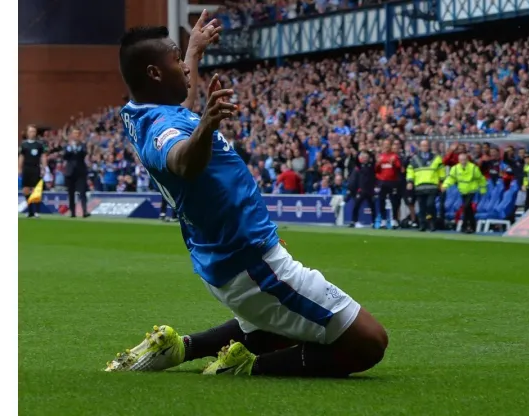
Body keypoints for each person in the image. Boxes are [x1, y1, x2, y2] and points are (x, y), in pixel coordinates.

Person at [107, 18, 387, 378]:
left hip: (227, 260)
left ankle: (180, 348)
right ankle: (245, 368)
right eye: (176, 61)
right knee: (369, 341)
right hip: (251, 263)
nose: (185, 69)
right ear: (154, 74)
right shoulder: (162, 130)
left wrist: (192, 50)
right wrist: (206, 124)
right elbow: (181, 161)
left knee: (271, 325)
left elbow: (182, 103)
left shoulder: (146, 112)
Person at [441, 152, 485, 233]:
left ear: (467, 160)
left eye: (464, 159)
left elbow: (480, 179)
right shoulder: (455, 168)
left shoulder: (473, 168)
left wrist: (483, 189)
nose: (463, 161)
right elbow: (451, 178)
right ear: (458, 160)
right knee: (468, 209)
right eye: (461, 160)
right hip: (462, 190)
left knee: (466, 206)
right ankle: (472, 225)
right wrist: (445, 185)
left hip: (472, 189)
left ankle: (465, 226)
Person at [406, 139, 445, 232]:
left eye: (426, 145)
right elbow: (410, 171)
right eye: (423, 145)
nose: (424, 147)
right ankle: (422, 224)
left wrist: (442, 182)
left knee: (430, 205)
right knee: (422, 206)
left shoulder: (436, 158)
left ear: (429, 146)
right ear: (420, 147)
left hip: (432, 186)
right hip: (419, 186)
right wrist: (410, 182)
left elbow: (441, 171)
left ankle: (431, 223)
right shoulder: (414, 158)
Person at [19, 125, 47, 218]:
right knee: (26, 190)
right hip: (26, 168)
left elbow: (43, 156)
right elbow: (21, 157)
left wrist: (44, 168)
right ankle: (30, 211)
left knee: (36, 190)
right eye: (30, 131)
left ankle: (37, 211)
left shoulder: (39, 145)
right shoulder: (24, 144)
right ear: (27, 133)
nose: (32, 133)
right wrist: (19, 168)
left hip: (36, 168)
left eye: (34, 131)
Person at [62, 128, 90, 218]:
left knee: (82, 192)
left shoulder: (83, 145)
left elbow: (84, 153)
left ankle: (84, 211)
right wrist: (71, 148)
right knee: (71, 193)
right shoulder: (67, 146)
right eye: (74, 133)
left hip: (80, 171)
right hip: (70, 172)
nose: (76, 135)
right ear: (71, 135)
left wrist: (76, 148)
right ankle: (72, 212)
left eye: (78, 134)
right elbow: (65, 156)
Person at [375, 138, 402, 229]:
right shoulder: (381, 156)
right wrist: (378, 164)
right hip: (382, 182)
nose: (386, 146)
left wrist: (393, 163)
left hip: (392, 182)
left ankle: (394, 220)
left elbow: (400, 168)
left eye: (388, 144)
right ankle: (383, 221)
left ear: (390, 146)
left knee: (394, 201)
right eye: (384, 144)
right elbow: (376, 171)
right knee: (381, 201)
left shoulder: (394, 156)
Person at [346, 151, 376, 227]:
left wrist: (369, 152)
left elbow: (374, 159)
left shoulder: (371, 166)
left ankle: (373, 222)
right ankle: (354, 221)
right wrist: (359, 152)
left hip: (370, 190)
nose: (365, 158)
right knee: (356, 205)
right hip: (361, 190)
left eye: (366, 157)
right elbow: (355, 160)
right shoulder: (359, 166)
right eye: (363, 157)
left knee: (372, 206)